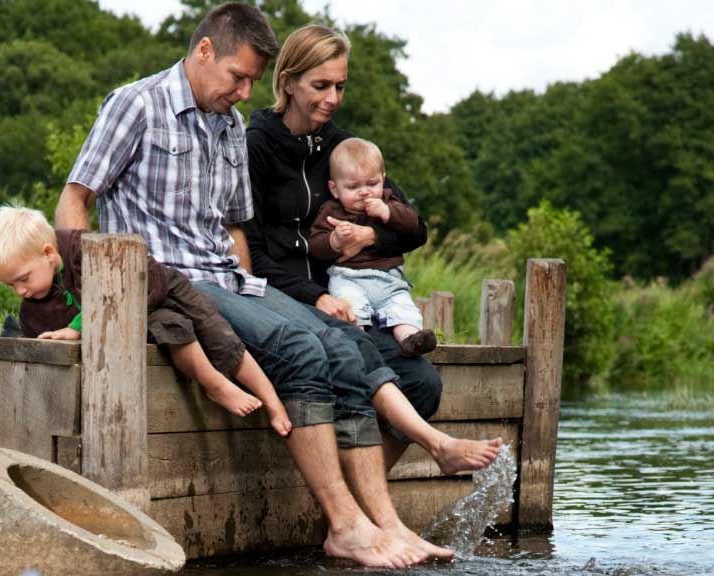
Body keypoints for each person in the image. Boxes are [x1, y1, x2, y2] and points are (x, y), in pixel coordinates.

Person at [55, 3, 453, 568]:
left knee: (341, 345)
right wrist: (89, 307)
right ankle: (345, 526)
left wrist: (251, 289)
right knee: (298, 348)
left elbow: (236, 228)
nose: (245, 92)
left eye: (251, 80)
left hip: (226, 277)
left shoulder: (229, 125)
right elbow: (77, 198)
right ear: (204, 51)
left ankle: (383, 522)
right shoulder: (136, 104)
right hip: (171, 280)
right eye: (238, 76)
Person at [244, 24, 502, 476]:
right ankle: (354, 500)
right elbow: (254, 253)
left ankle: (358, 497)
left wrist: (372, 238)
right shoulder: (257, 147)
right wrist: (316, 297)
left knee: (422, 382)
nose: (333, 98)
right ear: (287, 82)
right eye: (320, 85)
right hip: (290, 300)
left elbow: (413, 227)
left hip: (354, 300)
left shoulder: (344, 148)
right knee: (345, 367)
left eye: (340, 86)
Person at [0, 204, 292, 437]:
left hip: (155, 289)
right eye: (10, 285)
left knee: (217, 332)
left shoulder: (83, 248)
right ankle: (215, 384)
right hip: (144, 320)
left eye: (22, 279)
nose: (20, 290)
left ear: (48, 253)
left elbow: (127, 285)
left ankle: (272, 400)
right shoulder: (33, 306)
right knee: (171, 328)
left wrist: (78, 328)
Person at [309, 137, 437, 357]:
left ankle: (411, 339)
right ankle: (358, 341)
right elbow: (315, 246)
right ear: (335, 189)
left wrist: (387, 212)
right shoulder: (331, 210)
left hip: (389, 278)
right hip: (348, 277)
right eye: (353, 187)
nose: (364, 192)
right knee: (351, 308)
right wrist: (335, 241)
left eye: (372, 184)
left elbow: (413, 224)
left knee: (402, 308)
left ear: (383, 180)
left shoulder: (388, 201)